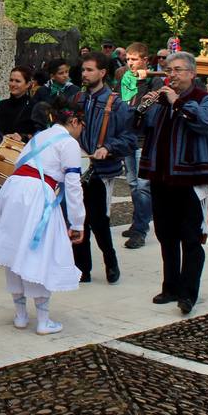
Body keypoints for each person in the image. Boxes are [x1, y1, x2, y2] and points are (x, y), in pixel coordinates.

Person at [0, 96, 85, 335]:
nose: (82, 130)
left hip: (12, 191)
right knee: (38, 252)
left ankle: (20, 316)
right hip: (36, 194)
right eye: (81, 124)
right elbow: (73, 185)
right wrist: (77, 222)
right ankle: (43, 320)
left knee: (14, 250)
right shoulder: (68, 143)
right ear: (73, 121)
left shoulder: (39, 137)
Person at [137, 52, 208, 315]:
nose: (171, 74)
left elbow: (203, 123)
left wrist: (177, 102)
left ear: (192, 73)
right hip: (162, 178)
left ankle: (188, 293)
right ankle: (170, 287)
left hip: (189, 180)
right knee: (166, 235)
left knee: (191, 238)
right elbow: (137, 126)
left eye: (178, 70)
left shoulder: (206, 99)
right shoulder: (161, 100)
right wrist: (144, 106)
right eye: (169, 70)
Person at [75, 52, 133, 284]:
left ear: (102, 73)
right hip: (77, 172)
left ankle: (111, 261)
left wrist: (108, 147)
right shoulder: (78, 99)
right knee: (79, 221)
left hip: (100, 172)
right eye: (83, 70)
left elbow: (129, 138)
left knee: (99, 222)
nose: (85, 74)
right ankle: (82, 269)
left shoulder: (115, 103)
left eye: (89, 70)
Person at [117, 42, 159, 250]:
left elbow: (149, 107)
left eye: (134, 60)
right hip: (127, 137)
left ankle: (140, 229)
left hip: (144, 139)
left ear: (145, 60)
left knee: (143, 185)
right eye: (128, 60)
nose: (130, 64)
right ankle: (137, 221)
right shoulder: (124, 79)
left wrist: (143, 83)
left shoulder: (153, 81)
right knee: (132, 183)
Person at [0, 66, 39, 140]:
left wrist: (22, 137)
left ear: (28, 84)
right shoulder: (2, 105)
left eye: (17, 81)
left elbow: (38, 135)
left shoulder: (34, 107)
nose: (13, 84)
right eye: (11, 80)